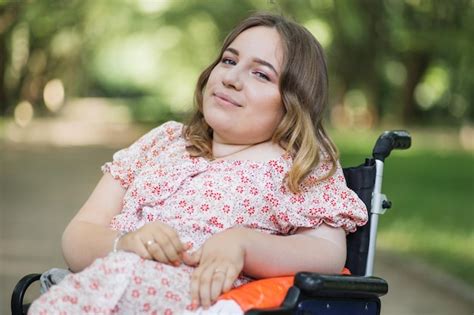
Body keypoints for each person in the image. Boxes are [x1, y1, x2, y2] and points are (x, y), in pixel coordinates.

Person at [29, 12, 367, 314]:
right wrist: (124, 243)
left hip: (202, 300)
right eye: (229, 61)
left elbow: (326, 252)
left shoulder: (300, 164)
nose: (232, 78)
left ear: (294, 102)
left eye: (261, 75)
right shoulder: (162, 142)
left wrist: (243, 243)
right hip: (109, 282)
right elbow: (77, 236)